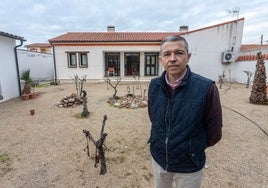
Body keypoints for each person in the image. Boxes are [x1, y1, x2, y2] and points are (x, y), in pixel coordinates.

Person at [147, 35, 222, 188]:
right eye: (167, 54)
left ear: (188, 57)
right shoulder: (154, 85)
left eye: (179, 53)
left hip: (189, 165)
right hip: (159, 159)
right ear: (161, 59)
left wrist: (191, 148)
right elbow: (153, 118)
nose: (172, 58)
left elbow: (214, 133)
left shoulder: (206, 88)